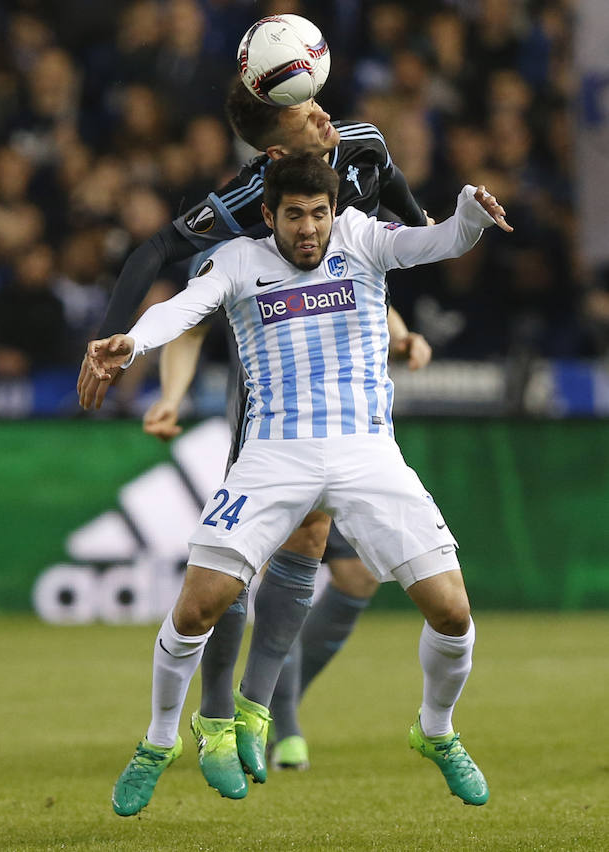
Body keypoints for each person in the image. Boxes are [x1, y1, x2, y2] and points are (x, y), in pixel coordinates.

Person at [86, 152, 512, 816]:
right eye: (294, 216)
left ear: (333, 210)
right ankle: (160, 739)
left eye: (318, 213)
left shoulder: (361, 239)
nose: (309, 229)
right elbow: (183, 309)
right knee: (197, 606)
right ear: (268, 215)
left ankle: (435, 731)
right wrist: (132, 341)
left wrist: (467, 215)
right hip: (273, 454)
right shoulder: (235, 262)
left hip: (366, 454)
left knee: (453, 613)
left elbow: (437, 241)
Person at [78, 77, 433, 784]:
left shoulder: (359, 145)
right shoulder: (248, 203)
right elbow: (185, 297)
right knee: (240, 566)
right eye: (306, 109)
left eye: (316, 97)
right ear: (275, 151)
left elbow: (390, 207)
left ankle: (269, 708)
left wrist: (403, 300)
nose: (325, 113)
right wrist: (129, 355)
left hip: (349, 388)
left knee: (344, 564)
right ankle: (216, 719)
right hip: (273, 389)